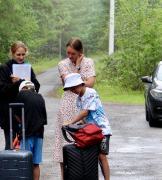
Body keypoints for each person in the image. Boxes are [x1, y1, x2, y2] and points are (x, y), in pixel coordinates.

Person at [53, 38, 96, 179]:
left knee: (84, 138)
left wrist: (76, 81)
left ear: (80, 52)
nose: (70, 56)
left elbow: (91, 83)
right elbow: (69, 83)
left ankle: (83, 174)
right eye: (68, 53)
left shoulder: (88, 62)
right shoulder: (63, 64)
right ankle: (65, 176)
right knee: (65, 140)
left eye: (73, 53)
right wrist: (77, 67)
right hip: (67, 104)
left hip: (84, 103)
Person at [62, 73, 112, 180]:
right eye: (71, 88)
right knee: (92, 155)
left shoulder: (90, 92)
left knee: (102, 156)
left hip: (102, 130)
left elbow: (85, 113)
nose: (73, 90)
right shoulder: (78, 100)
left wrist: (71, 122)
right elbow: (84, 118)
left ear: (81, 84)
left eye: (74, 87)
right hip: (91, 132)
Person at [0, 41, 40, 150]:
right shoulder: (5, 68)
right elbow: (4, 90)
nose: (21, 58)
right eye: (18, 55)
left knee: (26, 147)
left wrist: (20, 81)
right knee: (11, 146)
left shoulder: (28, 68)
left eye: (23, 55)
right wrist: (19, 83)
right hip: (10, 113)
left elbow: (36, 86)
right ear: (11, 53)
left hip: (26, 113)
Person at [14, 80, 47, 180]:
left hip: (27, 133)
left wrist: (22, 123)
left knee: (25, 162)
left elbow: (15, 111)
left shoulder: (22, 93)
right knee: (35, 163)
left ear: (23, 89)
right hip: (39, 134)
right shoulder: (40, 96)